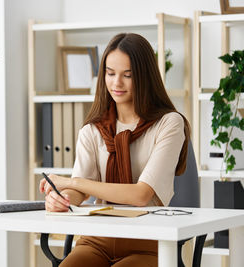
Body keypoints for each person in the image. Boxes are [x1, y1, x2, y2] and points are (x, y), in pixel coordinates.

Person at [39, 33, 190, 267]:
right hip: (97, 239)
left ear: (145, 77)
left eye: (127, 75)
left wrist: (72, 182)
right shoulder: (93, 130)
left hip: (147, 242)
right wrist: (62, 199)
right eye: (110, 73)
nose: (116, 83)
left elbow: (141, 195)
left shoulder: (169, 123)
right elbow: (79, 195)